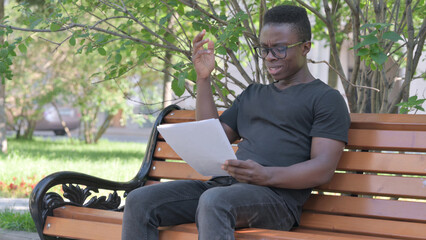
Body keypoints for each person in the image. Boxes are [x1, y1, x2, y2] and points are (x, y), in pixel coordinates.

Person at [122, 5, 350, 240]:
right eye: (265, 49)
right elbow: (210, 137)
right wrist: (203, 78)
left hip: (276, 199)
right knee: (140, 200)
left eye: (280, 49)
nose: (270, 57)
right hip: (225, 188)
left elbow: (323, 168)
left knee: (215, 201)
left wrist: (266, 175)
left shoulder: (325, 99)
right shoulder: (253, 94)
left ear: (305, 48)